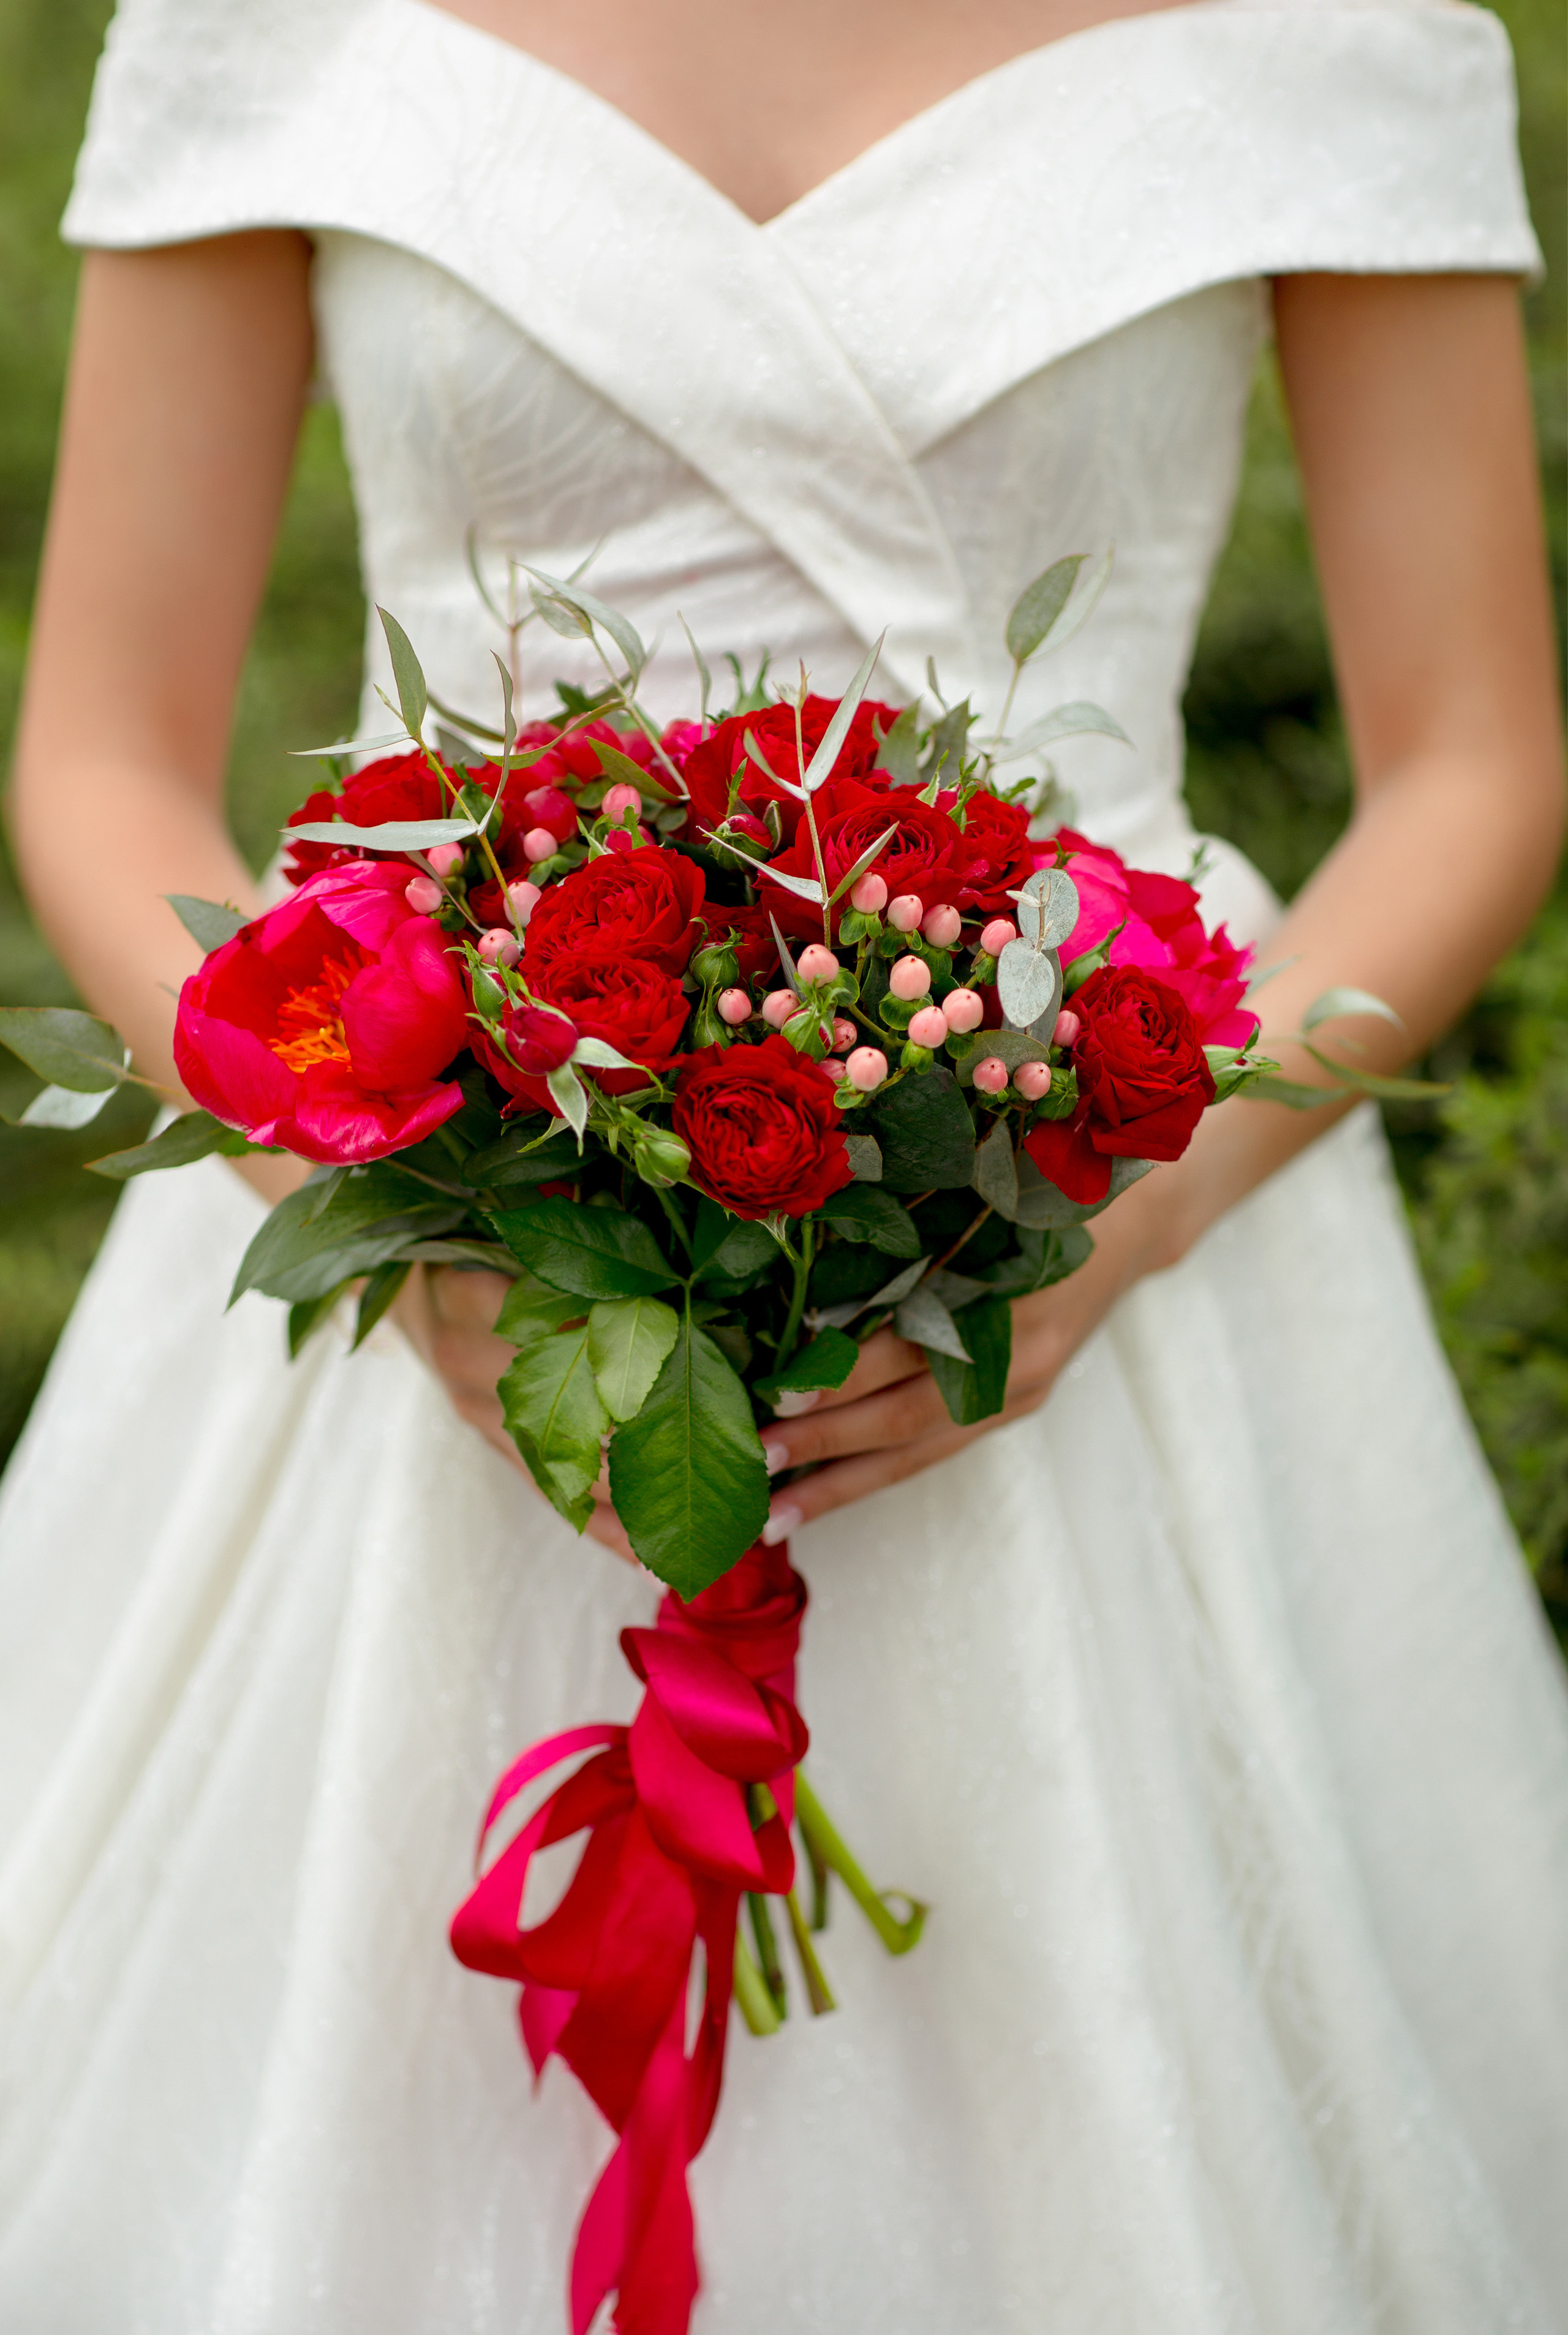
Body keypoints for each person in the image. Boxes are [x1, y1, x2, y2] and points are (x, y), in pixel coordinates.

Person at [2, 0, 1566, 2325]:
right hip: (424, 1295)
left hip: (1107, 1275)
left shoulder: (1335, 33)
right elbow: (103, 751)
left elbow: (1474, 761)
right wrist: (384, 1184)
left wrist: (1115, 1223)